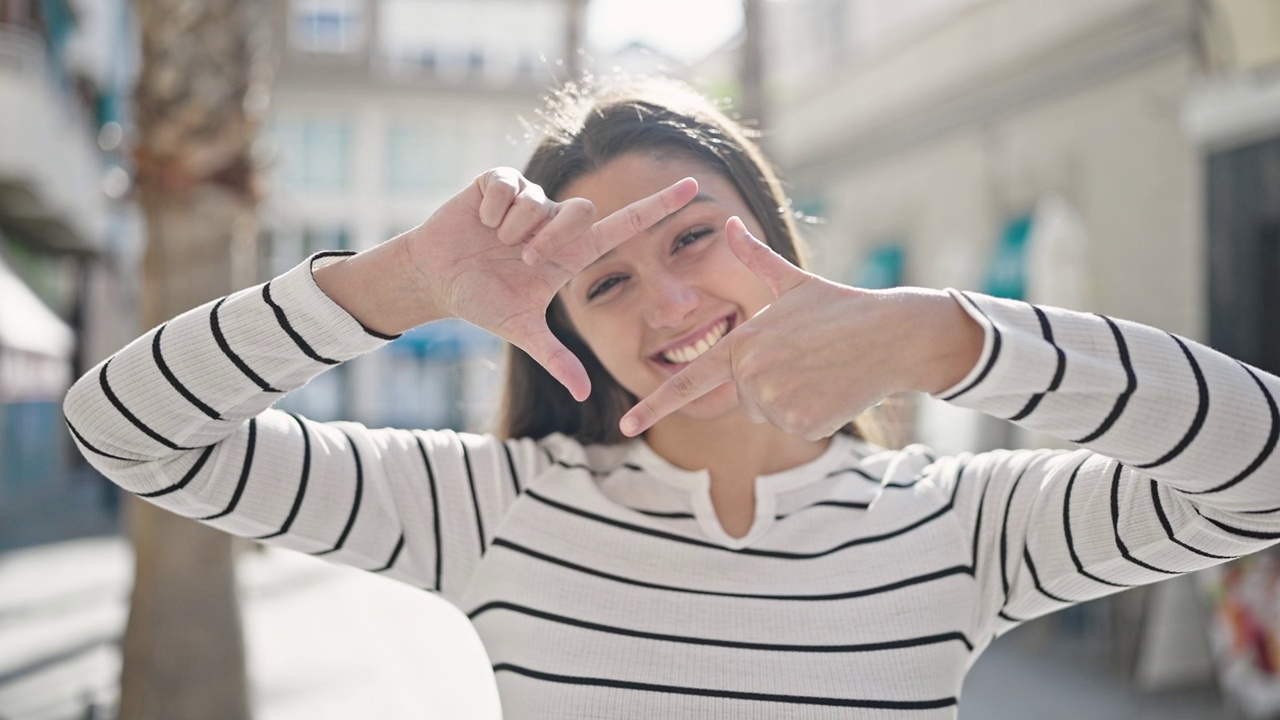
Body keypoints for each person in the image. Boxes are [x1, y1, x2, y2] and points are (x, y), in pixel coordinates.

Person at [64, 78, 1280, 719]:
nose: (666, 305)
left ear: (769, 229)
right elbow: (124, 429)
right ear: (559, 322)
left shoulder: (952, 522)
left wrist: (938, 334)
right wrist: (393, 283)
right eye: (603, 279)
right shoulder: (491, 509)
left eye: (692, 237)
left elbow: (1260, 472)